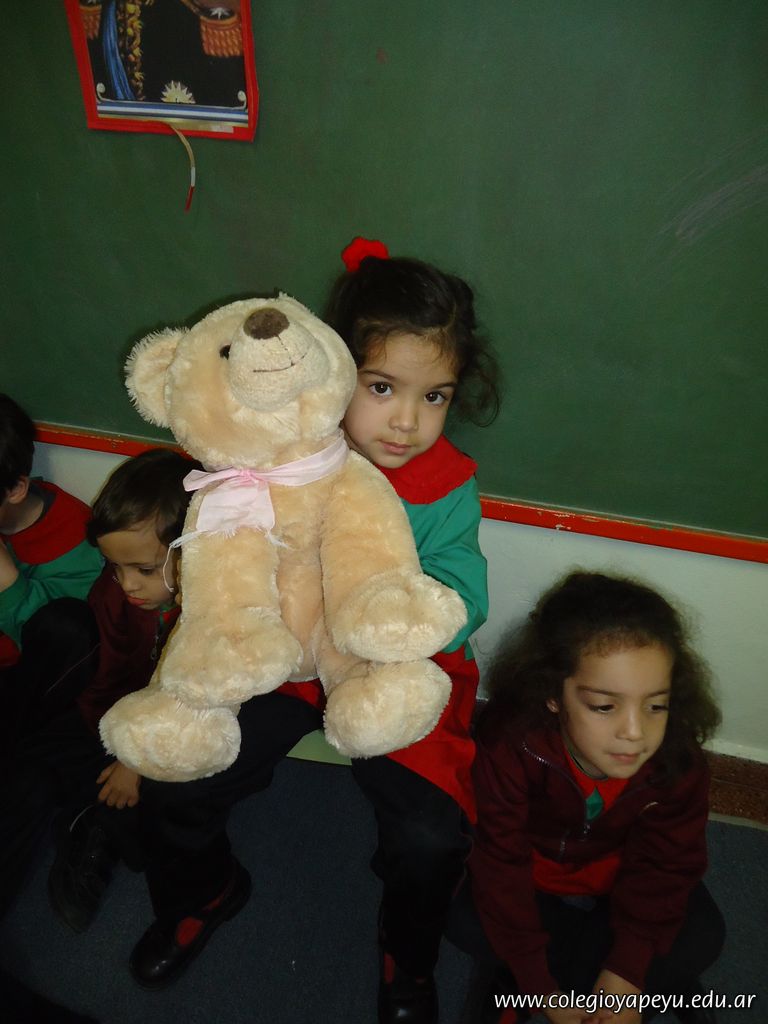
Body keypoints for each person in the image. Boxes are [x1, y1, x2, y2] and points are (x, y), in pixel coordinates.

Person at [116, 238, 500, 1024]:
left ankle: (407, 955)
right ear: (331, 368)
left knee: (429, 835)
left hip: (384, 667)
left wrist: (397, 616)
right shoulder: (271, 453)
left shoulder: (447, 484)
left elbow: (464, 593)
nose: (406, 421)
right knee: (179, 774)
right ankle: (206, 890)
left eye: (434, 396)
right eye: (382, 387)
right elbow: (227, 571)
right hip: (285, 655)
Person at [458, 571, 724, 1024]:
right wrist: (541, 987)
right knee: (460, 913)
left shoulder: (677, 761)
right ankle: (541, 982)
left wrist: (626, 971)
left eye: (656, 705)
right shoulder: (510, 744)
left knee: (702, 933)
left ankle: (603, 983)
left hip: (619, 876)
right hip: (530, 876)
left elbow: (667, 865)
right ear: (552, 695)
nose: (635, 732)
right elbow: (499, 862)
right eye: (604, 706)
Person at [0, 447, 195, 923]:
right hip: (107, 721)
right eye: (114, 567)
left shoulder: (208, 612)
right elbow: (99, 680)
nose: (127, 584)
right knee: (30, 777)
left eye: (143, 570)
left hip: (169, 737)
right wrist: (107, 740)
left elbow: (193, 702)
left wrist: (135, 758)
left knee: (154, 805)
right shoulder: (113, 596)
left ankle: (93, 825)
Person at [0, 394, 103, 743]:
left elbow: (54, 651)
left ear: (16, 489)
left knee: (68, 624)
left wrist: (8, 581)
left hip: (22, 688)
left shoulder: (76, 540)